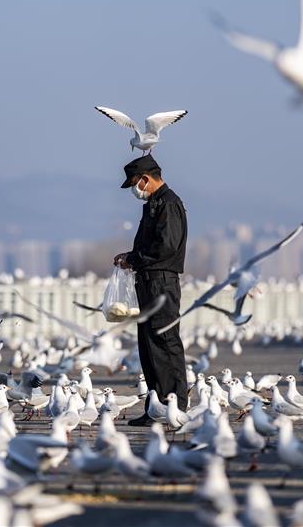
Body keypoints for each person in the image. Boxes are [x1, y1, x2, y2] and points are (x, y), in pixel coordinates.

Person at [114, 154, 189, 424]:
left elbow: (165, 247)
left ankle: (176, 405)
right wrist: (130, 256)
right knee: (148, 345)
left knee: (165, 342)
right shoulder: (154, 205)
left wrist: (133, 259)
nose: (135, 189)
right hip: (147, 281)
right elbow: (150, 246)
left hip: (162, 282)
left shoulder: (169, 204)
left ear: (145, 179)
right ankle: (156, 408)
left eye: (135, 183)